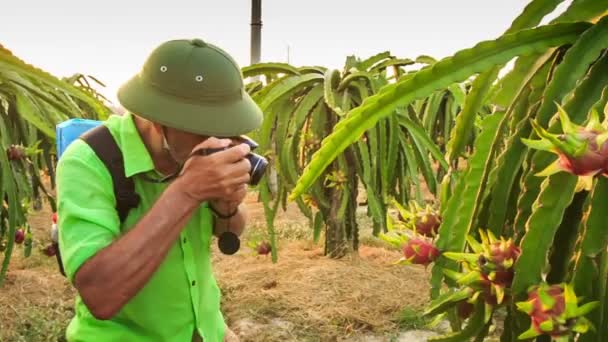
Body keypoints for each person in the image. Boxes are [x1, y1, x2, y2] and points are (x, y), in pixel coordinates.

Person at [56, 38, 263, 342]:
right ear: (157, 117)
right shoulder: (88, 161)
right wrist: (186, 192)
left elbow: (231, 229)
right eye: (210, 125)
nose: (223, 139)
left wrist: (227, 205)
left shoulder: (196, 154)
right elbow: (100, 295)